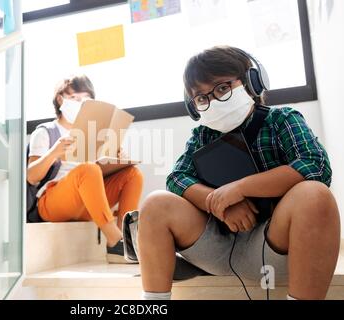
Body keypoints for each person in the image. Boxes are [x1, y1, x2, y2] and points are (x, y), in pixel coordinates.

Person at [138, 46, 340, 300]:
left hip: (274, 246)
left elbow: (316, 165)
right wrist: (219, 203)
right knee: (156, 203)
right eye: (201, 98)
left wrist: (240, 188)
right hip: (217, 247)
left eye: (222, 88)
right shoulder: (202, 136)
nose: (212, 101)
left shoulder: (282, 120)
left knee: (314, 194)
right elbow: (177, 178)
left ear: (252, 82)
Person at [27, 75, 143, 264]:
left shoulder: (94, 133)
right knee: (88, 170)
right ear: (60, 99)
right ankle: (115, 242)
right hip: (52, 202)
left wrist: (116, 159)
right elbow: (31, 176)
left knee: (133, 174)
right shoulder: (46, 131)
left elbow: (99, 172)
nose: (80, 103)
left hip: (87, 200)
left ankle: (128, 240)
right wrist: (53, 153)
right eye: (74, 98)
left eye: (85, 99)